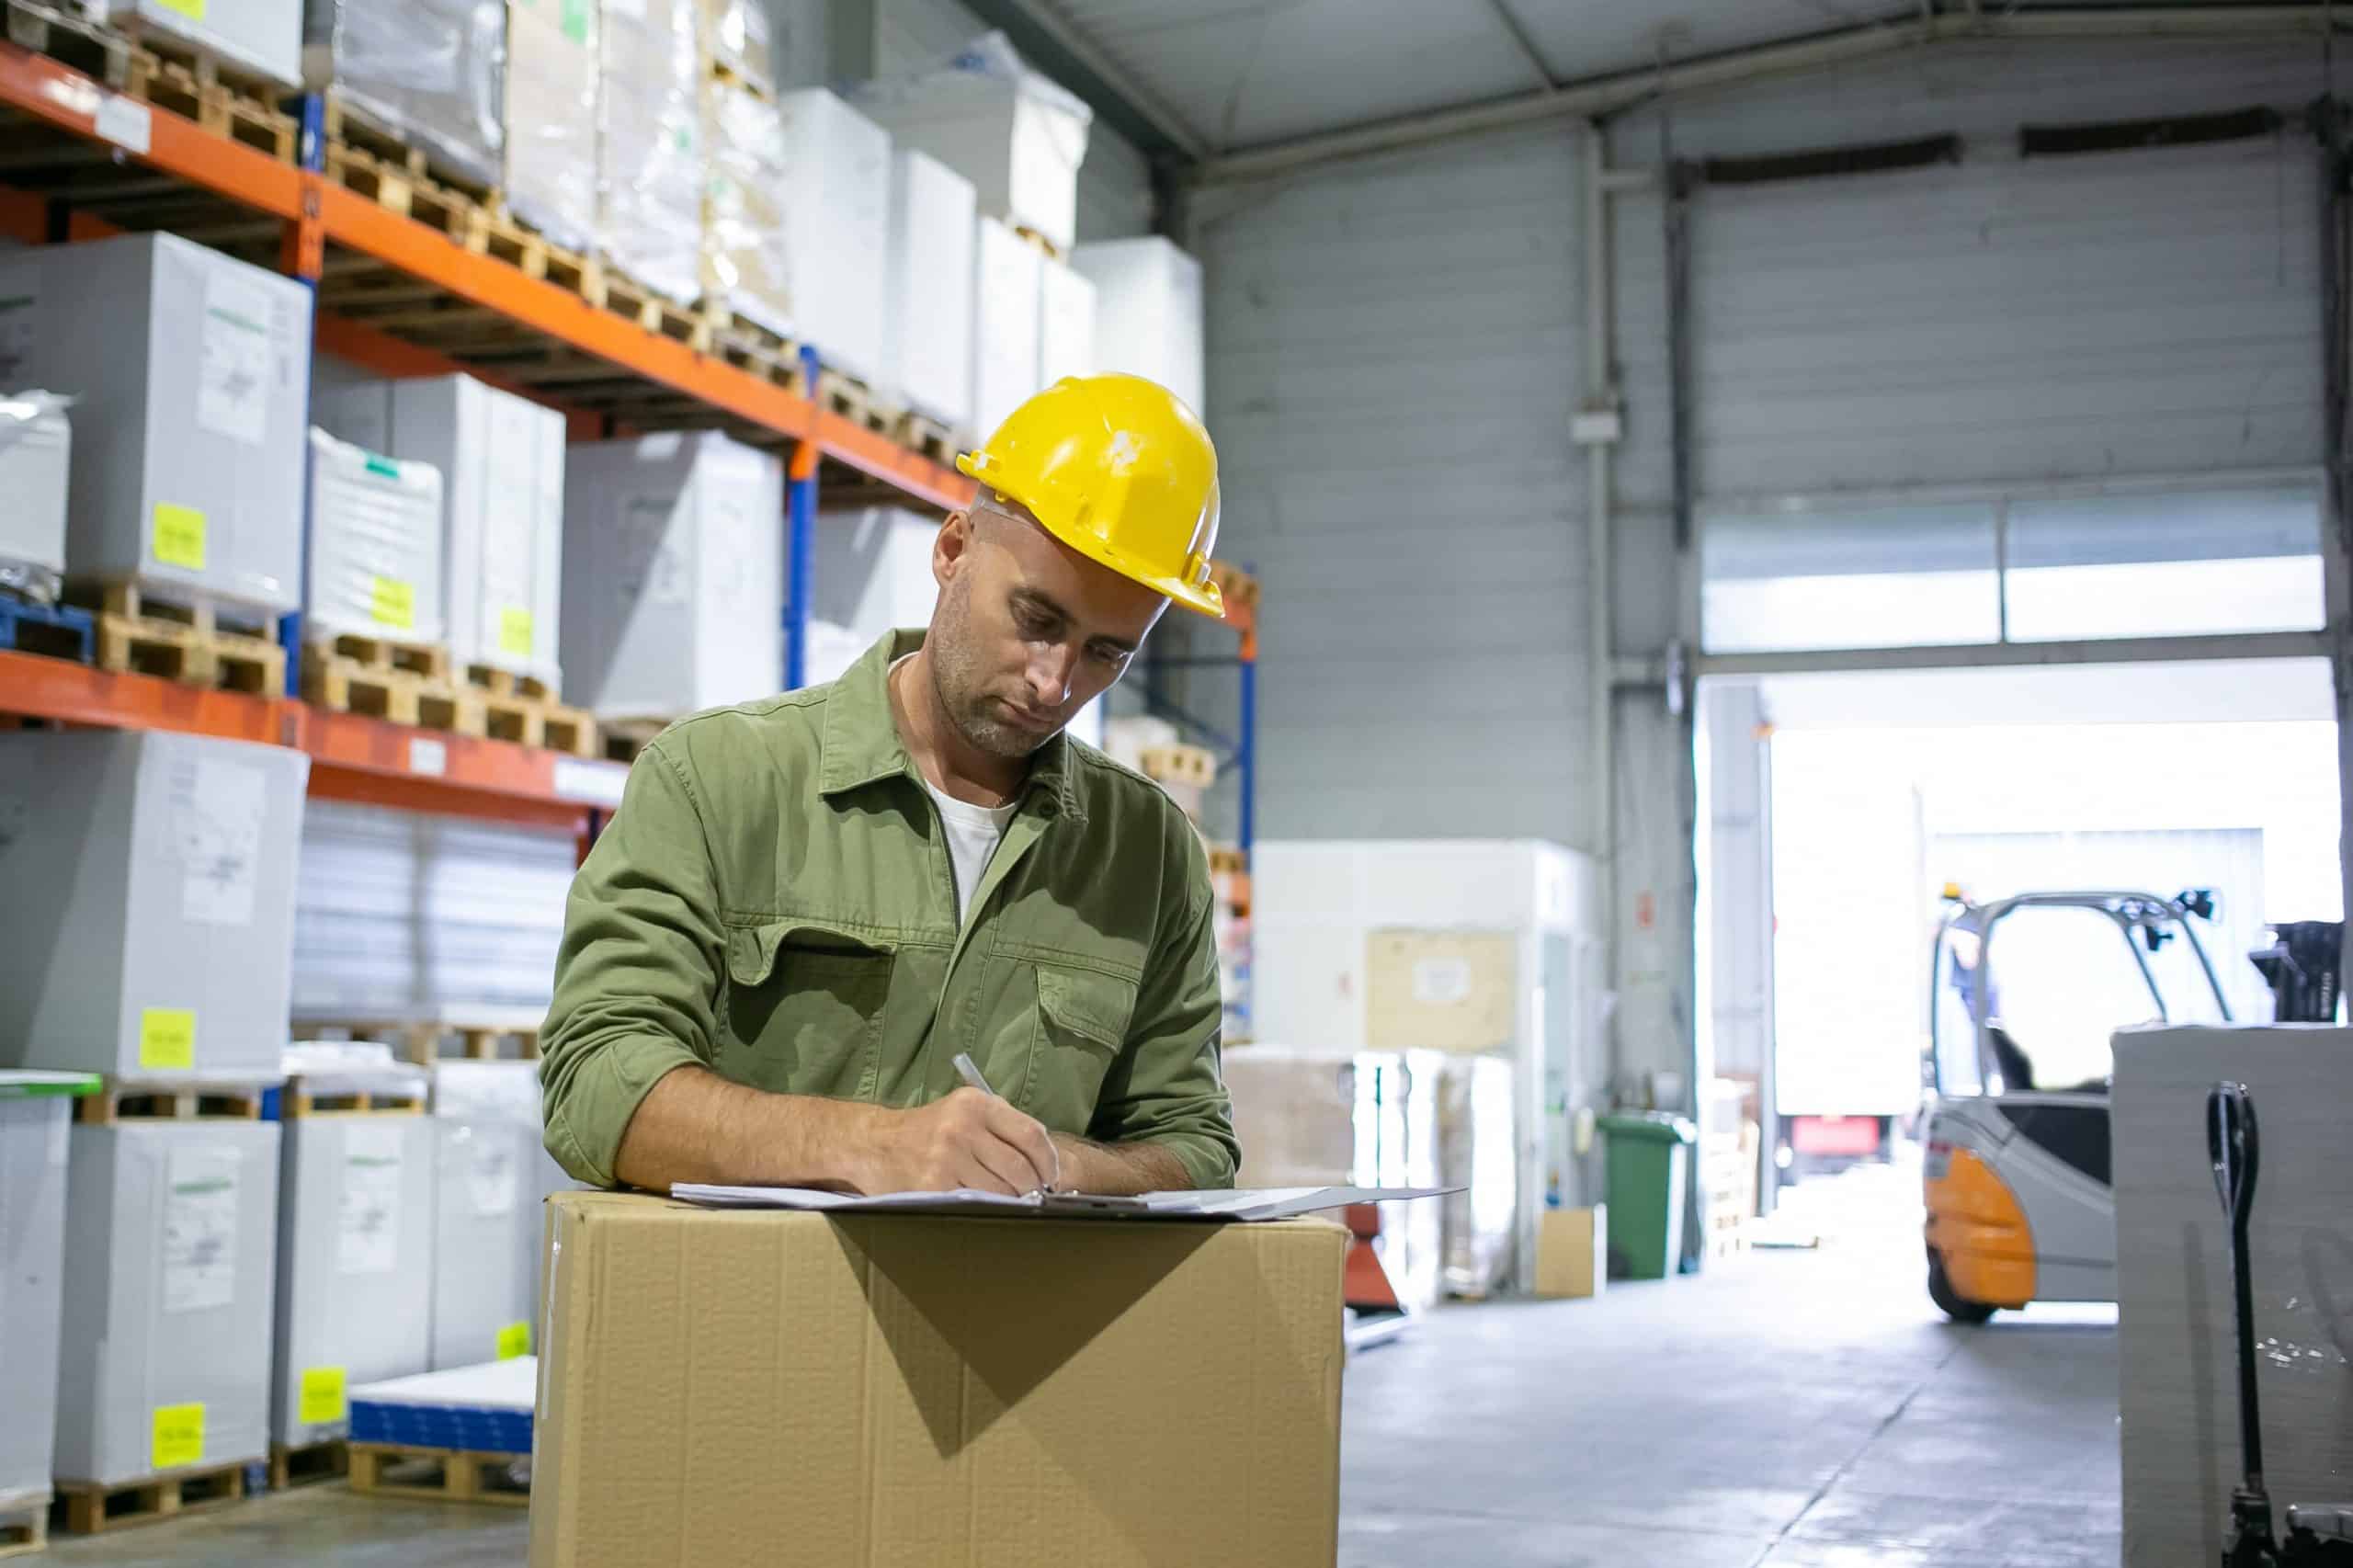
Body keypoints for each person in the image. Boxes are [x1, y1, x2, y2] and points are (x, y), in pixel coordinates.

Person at [539, 373, 1239, 1199]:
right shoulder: (717, 780)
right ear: (952, 550)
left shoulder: (1146, 853)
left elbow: (1194, 1144)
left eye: (1106, 654)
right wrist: (871, 1148)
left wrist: (1059, 1168)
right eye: (1037, 621)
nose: (1054, 683)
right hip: (752, 1315)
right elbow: (595, 1085)